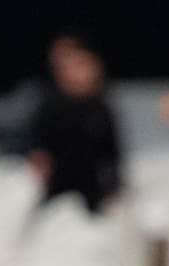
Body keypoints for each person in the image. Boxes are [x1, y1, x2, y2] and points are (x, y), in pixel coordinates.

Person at [28, 34, 124, 214]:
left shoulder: (100, 107)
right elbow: (38, 148)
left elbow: (111, 154)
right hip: (58, 191)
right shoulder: (50, 105)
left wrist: (114, 189)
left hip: (91, 193)